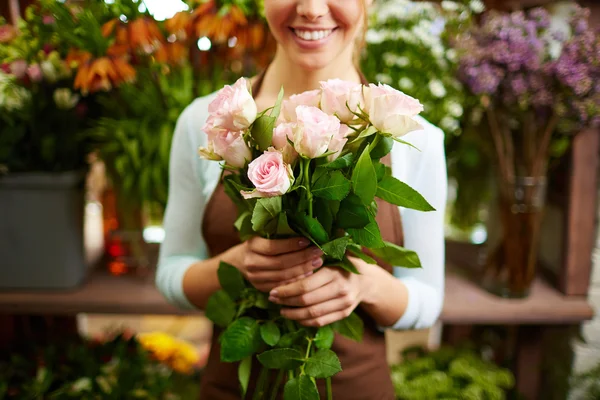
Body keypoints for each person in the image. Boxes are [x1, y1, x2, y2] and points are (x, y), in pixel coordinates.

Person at [156, 0, 447, 397]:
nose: (311, 9)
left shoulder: (413, 133)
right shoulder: (205, 123)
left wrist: (364, 286)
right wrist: (236, 266)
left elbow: (427, 300)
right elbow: (172, 272)